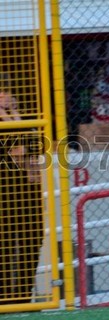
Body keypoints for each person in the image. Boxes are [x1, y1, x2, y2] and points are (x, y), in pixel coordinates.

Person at [0, 73, 44, 304]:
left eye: (9, 97)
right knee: (5, 247)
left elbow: (32, 161)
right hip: (4, 198)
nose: (6, 100)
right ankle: (6, 299)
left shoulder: (24, 122)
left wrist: (13, 116)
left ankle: (25, 297)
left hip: (28, 198)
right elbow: (17, 155)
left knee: (31, 242)